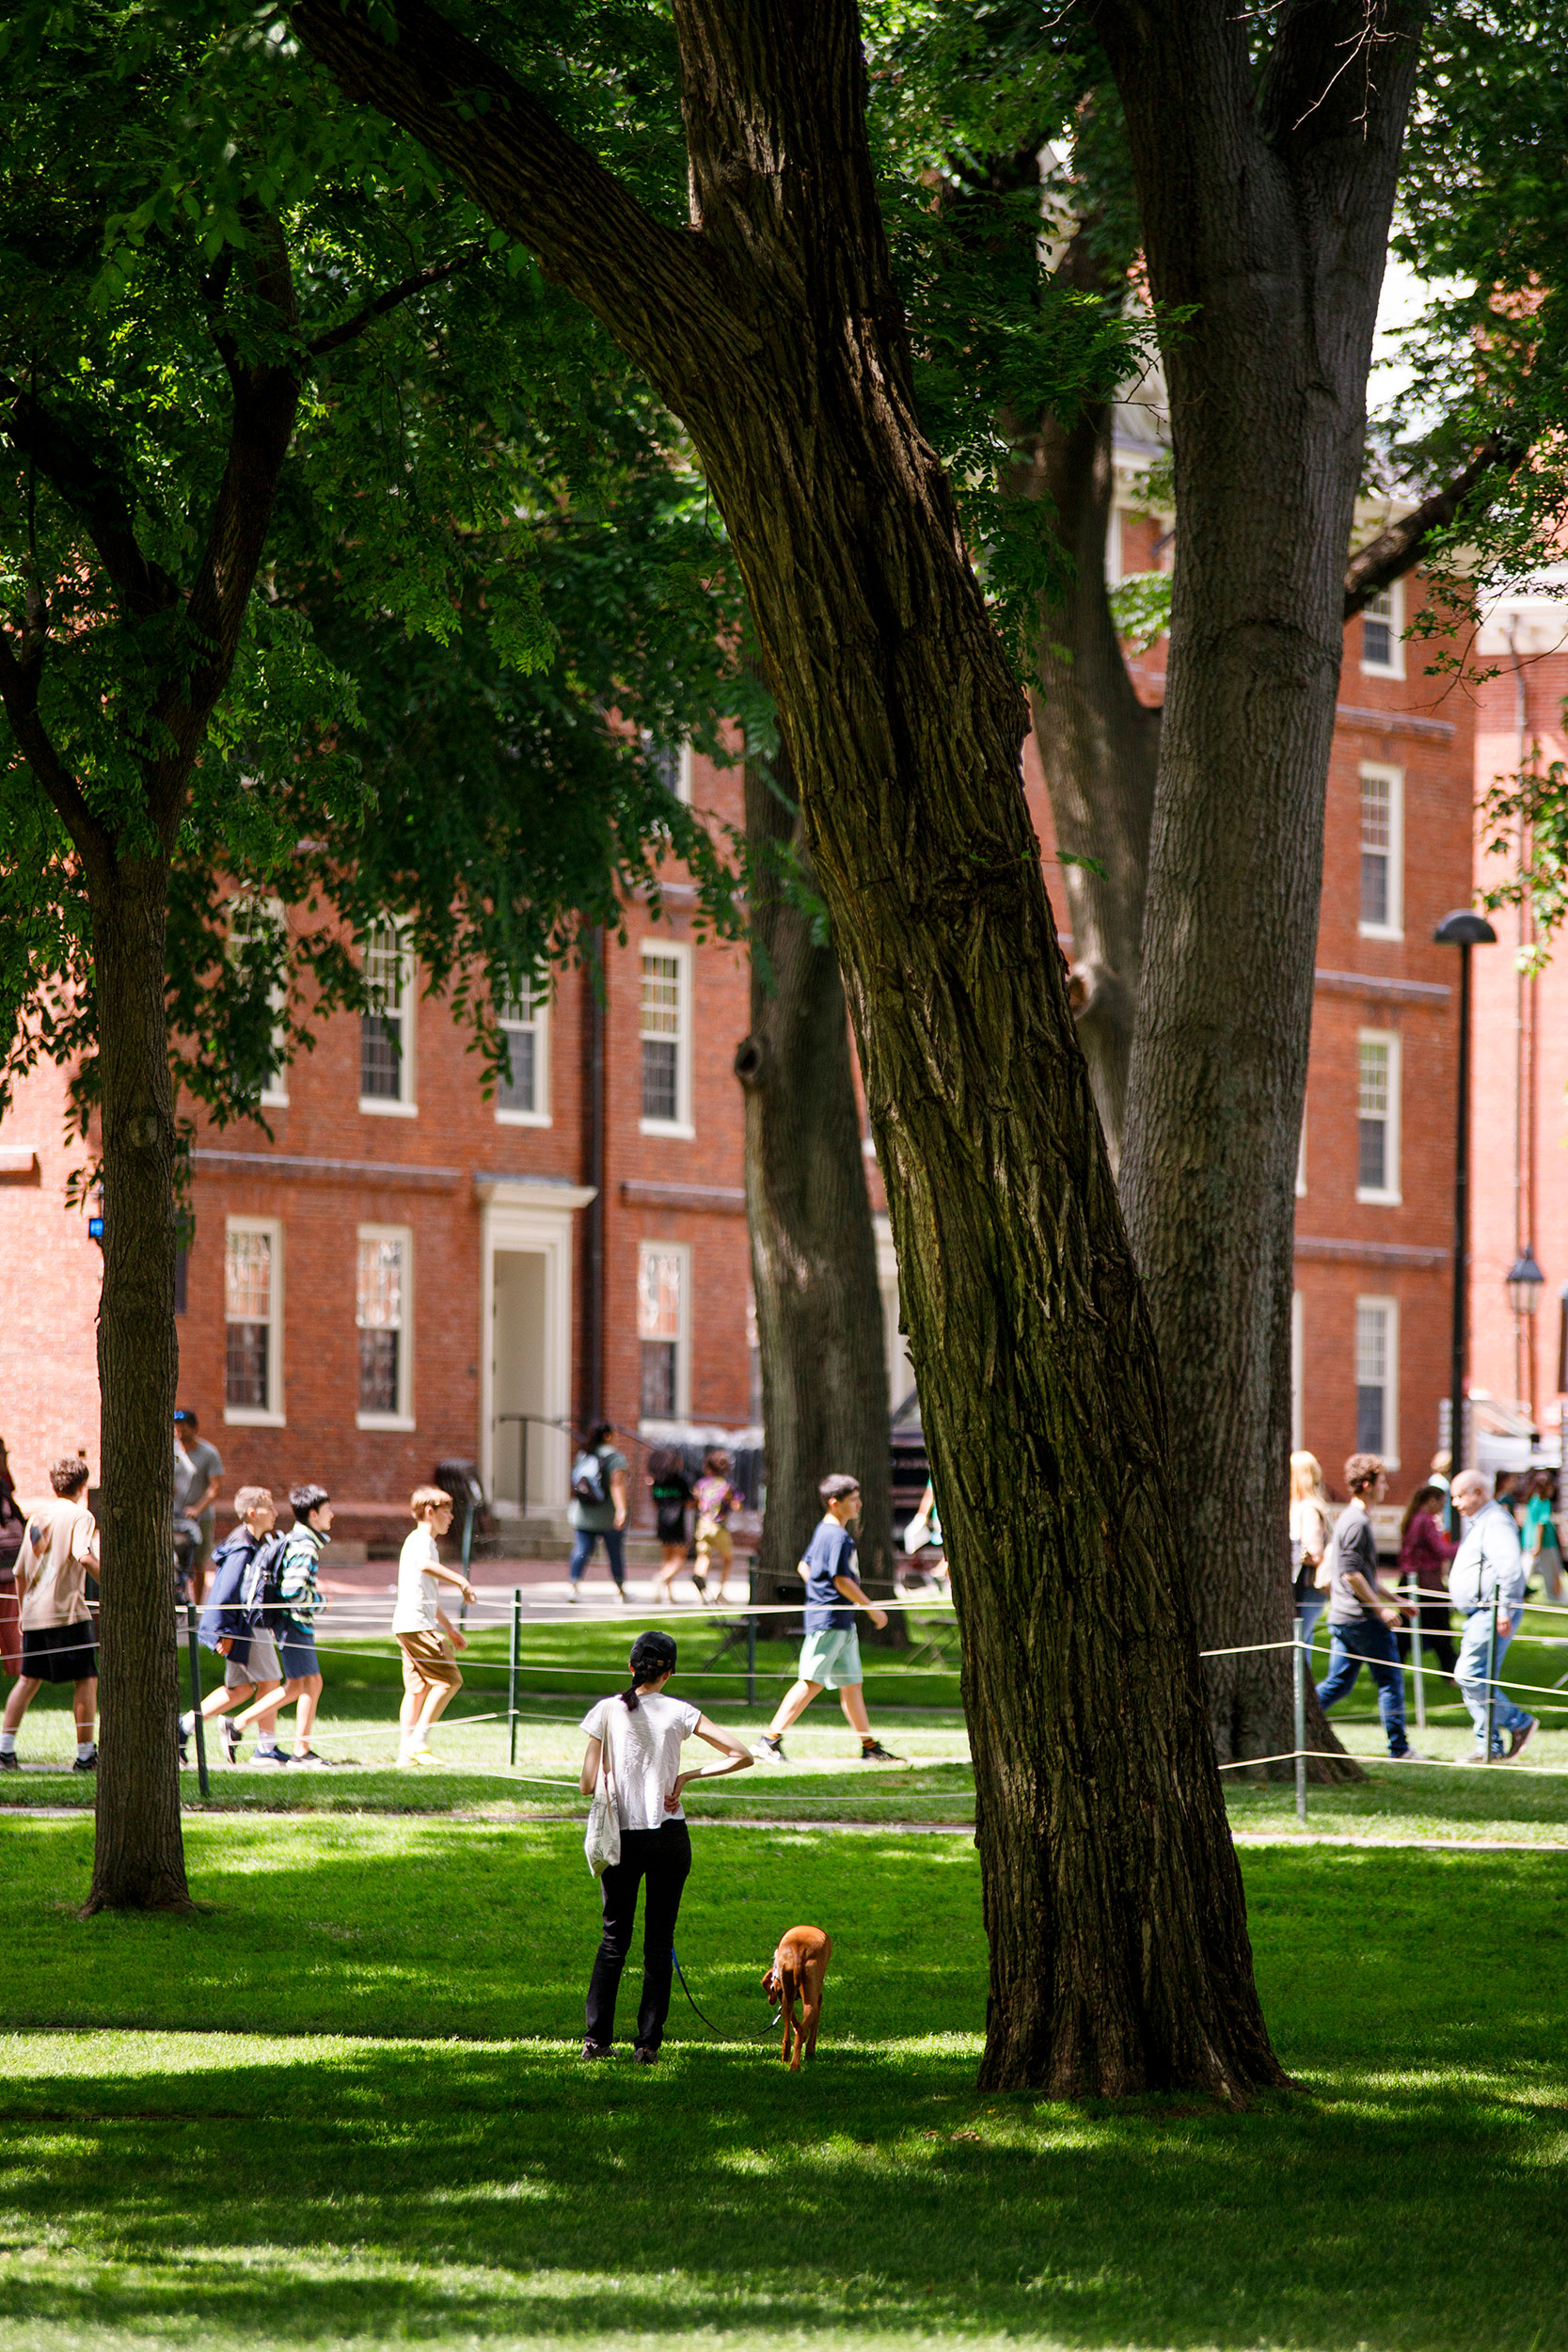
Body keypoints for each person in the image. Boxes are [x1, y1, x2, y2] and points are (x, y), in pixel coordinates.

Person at [578, 1629, 753, 2061]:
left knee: (613, 1939)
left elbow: (586, 1785)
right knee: (659, 1942)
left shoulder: (605, 1711)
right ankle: (648, 2045)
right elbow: (742, 1753)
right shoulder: (680, 1712)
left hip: (621, 1835)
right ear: (669, 1673)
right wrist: (687, 1776)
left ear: (631, 1667)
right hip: (669, 1837)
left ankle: (597, 2042)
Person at [756, 1473, 904, 1763]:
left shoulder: (824, 1531)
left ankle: (870, 1747)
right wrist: (870, 1607)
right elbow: (841, 1579)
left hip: (841, 1621)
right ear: (835, 1503)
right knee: (811, 1681)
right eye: (853, 1500)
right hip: (830, 1621)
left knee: (851, 1685)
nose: (859, 1504)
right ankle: (768, 1741)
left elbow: (804, 1566)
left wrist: (820, 1592)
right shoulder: (837, 1536)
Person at [1314, 1453, 1418, 1761]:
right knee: (1390, 1680)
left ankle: (1295, 1722)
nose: (1385, 1486)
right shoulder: (1356, 1521)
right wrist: (1380, 1610)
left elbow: (1365, 1573)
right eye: (1381, 1481)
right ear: (1365, 1484)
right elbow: (1350, 1573)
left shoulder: (1354, 1518)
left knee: (1338, 1684)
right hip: (1360, 1619)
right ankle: (1399, 1748)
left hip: (1344, 1617)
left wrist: (1395, 1600)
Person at [0, 1457, 100, 1772]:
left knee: (28, 1680)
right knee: (86, 1679)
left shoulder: (38, 1519)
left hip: (34, 1612)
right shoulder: (80, 1516)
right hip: (67, 1612)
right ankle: (86, 1756)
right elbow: (83, 1555)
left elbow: (20, 1572)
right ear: (82, 1486)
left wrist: (22, 1610)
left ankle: (4, 1751)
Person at [230, 1483, 339, 1766]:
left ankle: (242, 1726)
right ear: (313, 1514)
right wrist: (321, 1601)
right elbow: (293, 1591)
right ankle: (297, 1749)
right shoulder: (305, 1544)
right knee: (305, 1684)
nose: (333, 1515)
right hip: (294, 1624)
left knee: (305, 1684)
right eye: (328, 1510)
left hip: (293, 1624)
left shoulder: (301, 1540)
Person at [185, 1488, 286, 1767]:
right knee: (271, 1682)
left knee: (239, 1689)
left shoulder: (250, 1543)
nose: (275, 1513)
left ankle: (182, 1728)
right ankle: (265, 1748)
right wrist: (226, 1632)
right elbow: (226, 1593)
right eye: (269, 1507)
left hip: (241, 1626)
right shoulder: (242, 1548)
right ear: (253, 1513)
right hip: (244, 1627)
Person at [1449, 1468, 1537, 1763]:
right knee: (1478, 1678)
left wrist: (1503, 1609)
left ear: (1478, 1493)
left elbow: (1511, 1570)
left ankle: (1518, 1723)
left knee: (1469, 1676)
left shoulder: (1495, 1522)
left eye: (1459, 1496)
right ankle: (1489, 1746)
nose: (1455, 1503)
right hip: (1482, 1613)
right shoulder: (1483, 1522)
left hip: (1491, 1612)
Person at [393, 1485, 476, 1766]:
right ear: (430, 1511)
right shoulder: (422, 1541)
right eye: (447, 1511)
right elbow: (423, 1565)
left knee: (416, 1689)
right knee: (449, 1680)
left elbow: (426, 1595)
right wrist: (461, 1581)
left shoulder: (419, 1541)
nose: (451, 1517)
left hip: (407, 1624)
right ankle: (419, 1740)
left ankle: (405, 1751)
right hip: (417, 1625)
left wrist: (450, 1628)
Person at [1396, 1483, 1458, 1678]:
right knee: (1441, 1631)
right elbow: (1442, 1551)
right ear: (1432, 1500)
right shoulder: (1426, 1521)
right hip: (1425, 1585)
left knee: (1403, 1633)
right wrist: (1466, 1546)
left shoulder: (1412, 1517)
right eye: (1442, 1502)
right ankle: (1451, 1674)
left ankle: (1390, 1672)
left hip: (1409, 1581)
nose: (1443, 1507)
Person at [567, 1422, 630, 1603]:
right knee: (615, 1553)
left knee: (581, 1550)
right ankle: (620, 1590)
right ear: (608, 1436)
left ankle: (573, 1586)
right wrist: (621, 1510)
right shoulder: (616, 1459)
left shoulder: (584, 1454)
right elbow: (617, 1484)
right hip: (608, 1516)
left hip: (583, 1514)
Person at [173, 1408, 224, 1604]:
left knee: (198, 1563)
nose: (180, 1433)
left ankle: (199, 1605)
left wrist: (198, 1509)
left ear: (195, 1429)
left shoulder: (208, 1453)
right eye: (177, 1429)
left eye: (184, 1429)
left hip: (200, 1517)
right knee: (175, 1562)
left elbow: (215, 1487)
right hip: (175, 1515)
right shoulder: (172, 1450)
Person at [1289, 1451, 1333, 1672]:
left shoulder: (1308, 1510)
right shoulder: (1304, 1507)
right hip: (1302, 1589)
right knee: (1302, 1642)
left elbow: (1315, 1553)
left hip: (1308, 1588)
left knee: (1299, 1642)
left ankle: (1301, 1698)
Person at [692, 1448, 744, 1602]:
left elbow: (697, 1502)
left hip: (703, 1524)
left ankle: (701, 1591)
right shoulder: (728, 1485)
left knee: (703, 1557)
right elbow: (737, 1506)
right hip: (719, 1526)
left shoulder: (702, 1484)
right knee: (728, 1558)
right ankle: (721, 1592)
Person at [647, 1449, 698, 1606]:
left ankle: (668, 1595)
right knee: (679, 1559)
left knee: (667, 1558)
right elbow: (689, 1502)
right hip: (678, 1523)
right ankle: (661, 1577)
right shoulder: (680, 1480)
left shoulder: (656, 1480)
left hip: (662, 1522)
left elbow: (655, 1503)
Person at [0, 1436, 24, 1680]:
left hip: (7, 1568)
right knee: (9, 1623)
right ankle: (13, 1671)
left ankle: (13, 1671)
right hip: (5, 1568)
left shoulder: (4, 1483)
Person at [1521, 1470, 1565, 1605]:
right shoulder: (1543, 1502)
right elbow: (1540, 1525)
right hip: (1544, 1543)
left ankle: (1519, 1592)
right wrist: (1538, 1544)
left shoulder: (1533, 1500)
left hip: (1530, 1542)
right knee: (1551, 1570)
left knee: (1526, 1569)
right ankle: (1554, 1597)